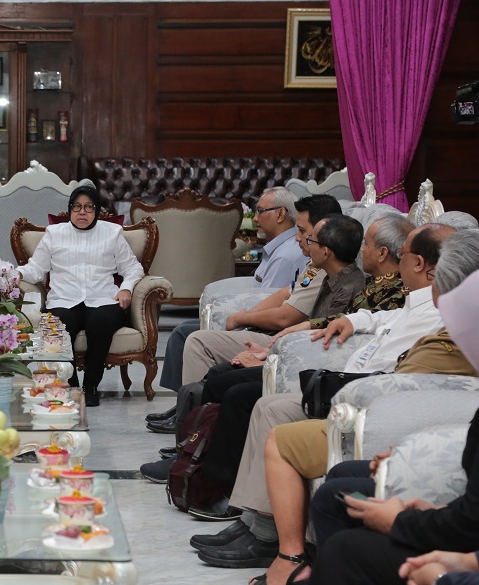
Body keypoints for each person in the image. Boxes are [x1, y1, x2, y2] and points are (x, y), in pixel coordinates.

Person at [192, 223, 454, 574]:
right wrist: (352, 319)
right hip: (348, 386)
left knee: (266, 407)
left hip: (366, 400)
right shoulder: (413, 300)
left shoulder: (439, 313)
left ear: (420, 263)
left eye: (402, 255)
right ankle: (253, 521)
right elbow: (384, 317)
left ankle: (268, 536)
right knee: (254, 397)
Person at [255, 229, 479, 585]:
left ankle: (292, 557)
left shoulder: (446, 323)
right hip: (459, 522)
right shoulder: (417, 304)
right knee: (337, 489)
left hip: (373, 408)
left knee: (344, 535)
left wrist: (404, 523)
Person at [140, 214, 367, 490]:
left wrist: (272, 356)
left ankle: (211, 475)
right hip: (289, 351)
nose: (303, 242)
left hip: (309, 367)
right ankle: (192, 452)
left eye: (310, 239)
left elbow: (319, 336)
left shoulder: (350, 286)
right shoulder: (329, 276)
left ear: (326, 251)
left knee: (232, 390)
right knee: (218, 375)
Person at [147, 194, 341, 434]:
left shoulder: (323, 266)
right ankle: (188, 414)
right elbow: (285, 292)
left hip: (283, 338)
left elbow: (287, 317)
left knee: (196, 340)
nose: (297, 237)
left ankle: (192, 429)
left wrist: (243, 319)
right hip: (276, 335)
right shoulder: (313, 262)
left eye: (302, 231)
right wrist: (247, 315)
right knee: (191, 337)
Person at [17, 184, 144, 406]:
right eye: (77, 207)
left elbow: (133, 268)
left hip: (103, 298)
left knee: (101, 321)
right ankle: (72, 386)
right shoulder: (54, 234)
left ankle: (91, 386)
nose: (82, 212)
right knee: (60, 322)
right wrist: (17, 273)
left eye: (88, 207)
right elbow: (37, 268)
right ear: (70, 210)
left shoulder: (112, 233)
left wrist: (126, 287)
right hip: (64, 299)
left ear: (96, 211)